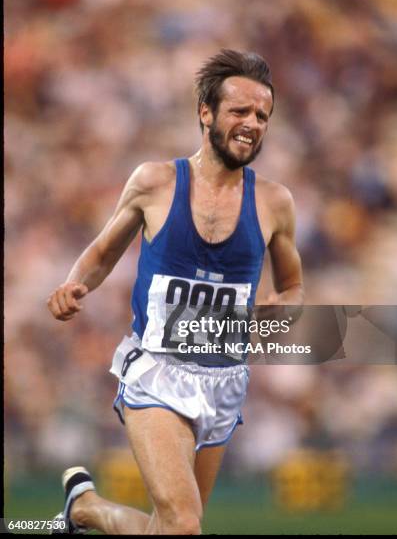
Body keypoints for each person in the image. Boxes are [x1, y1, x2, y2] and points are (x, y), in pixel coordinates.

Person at [47, 49, 304, 535]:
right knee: (185, 525)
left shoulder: (275, 202)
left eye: (262, 115)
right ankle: (86, 510)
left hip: (225, 381)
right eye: (240, 111)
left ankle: (86, 510)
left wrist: (283, 311)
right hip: (157, 372)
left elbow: (293, 287)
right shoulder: (155, 182)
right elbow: (102, 253)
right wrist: (73, 284)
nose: (253, 123)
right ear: (206, 113)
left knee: (169, 528)